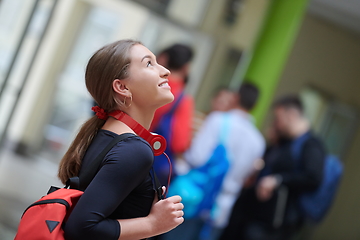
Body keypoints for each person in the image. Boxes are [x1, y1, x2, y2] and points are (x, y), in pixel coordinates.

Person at [57, 39, 184, 240]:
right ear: (122, 87)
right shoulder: (134, 150)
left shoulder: (107, 134)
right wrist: (153, 224)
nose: (165, 71)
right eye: (149, 63)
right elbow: (82, 227)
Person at [163, 83, 266, 240]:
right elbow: (246, 177)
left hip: (193, 199)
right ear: (255, 105)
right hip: (221, 208)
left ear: (236, 97)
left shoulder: (218, 120)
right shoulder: (258, 141)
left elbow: (196, 157)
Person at [219, 95, 325, 240]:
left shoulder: (311, 145)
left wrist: (278, 180)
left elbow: (313, 178)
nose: (277, 124)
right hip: (254, 216)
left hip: (275, 224)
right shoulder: (285, 142)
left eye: (279, 118)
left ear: (292, 115)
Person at [150, 44, 194, 185]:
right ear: (185, 68)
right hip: (153, 165)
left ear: (163, 59)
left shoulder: (147, 86)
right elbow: (179, 143)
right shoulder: (182, 99)